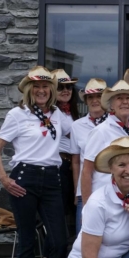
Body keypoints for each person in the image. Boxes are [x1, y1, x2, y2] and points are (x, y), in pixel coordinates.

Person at [0, 66, 68, 258]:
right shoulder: (18, 114)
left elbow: (78, 136)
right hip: (24, 178)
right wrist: (4, 178)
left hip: (52, 180)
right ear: (28, 90)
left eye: (46, 86)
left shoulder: (58, 115)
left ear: (52, 90)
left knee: (59, 240)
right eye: (36, 87)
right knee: (27, 240)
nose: (41, 90)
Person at [80, 81, 129, 204]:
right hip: (105, 199)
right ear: (111, 105)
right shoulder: (101, 131)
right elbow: (87, 171)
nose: (124, 102)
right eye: (119, 98)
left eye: (128, 98)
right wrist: (86, 206)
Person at [69, 78, 108, 233]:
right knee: (84, 234)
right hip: (86, 190)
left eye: (99, 96)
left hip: (111, 188)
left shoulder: (116, 123)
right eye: (90, 97)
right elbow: (76, 161)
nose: (95, 100)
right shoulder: (77, 126)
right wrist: (76, 191)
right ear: (85, 100)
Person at [52, 69, 80, 234]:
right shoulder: (54, 111)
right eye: (61, 87)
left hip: (73, 163)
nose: (65, 91)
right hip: (62, 164)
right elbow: (74, 134)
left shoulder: (70, 111)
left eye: (69, 87)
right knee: (61, 207)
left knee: (72, 205)